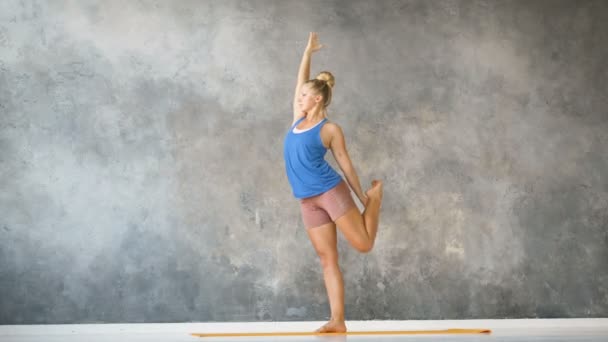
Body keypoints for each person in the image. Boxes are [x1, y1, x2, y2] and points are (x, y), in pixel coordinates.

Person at [283, 32, 384, 333]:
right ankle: (337, 321)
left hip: (330, 192)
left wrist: (365, 200)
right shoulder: (296, 121)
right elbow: (301, 79)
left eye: (303, 95)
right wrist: (307, 52)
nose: (298, 98)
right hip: (307, 200)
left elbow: (346, 165)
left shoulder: (330, 129)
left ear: (316, 98)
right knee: (327, 258)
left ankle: (377, 199)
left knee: (364, 245)